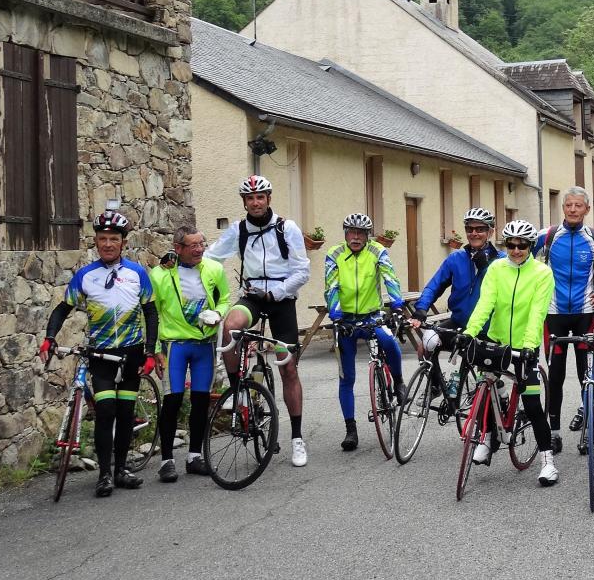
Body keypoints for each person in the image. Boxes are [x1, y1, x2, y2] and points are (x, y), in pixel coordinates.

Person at [39, 211, 158, 498]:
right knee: (106, 412)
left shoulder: (137, 274)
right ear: (95, 241)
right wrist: (49, 338)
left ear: (123, 242)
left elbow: (150, 313)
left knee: (126, 412)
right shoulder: (86, 276)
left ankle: (121, 470)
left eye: (113, 239)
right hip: (101, 354)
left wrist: (151, 352)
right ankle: (104, 474)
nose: (107, 244)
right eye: (102, 239)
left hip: (130, 353)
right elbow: (62, 309)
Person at [205, 175, 312, 466]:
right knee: (230, 327)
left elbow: (302, 271)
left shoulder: (286, 228)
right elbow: (210, 258)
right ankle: (238, 390)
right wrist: (185, 263)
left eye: (260, 197)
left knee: (288, 368)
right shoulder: (238, 230)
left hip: (280, 299)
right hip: (252, 294)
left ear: (268, 198)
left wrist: (276, 292)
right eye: (250, 198)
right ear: (244, 202)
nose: (255, 202)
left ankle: (297, 439)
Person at [461, 219, 559, 486]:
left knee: (532, 404)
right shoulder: (496, 268)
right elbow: (485, 304)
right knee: (486, 390)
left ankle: (548, 461)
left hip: (525, 345)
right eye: (511, 245)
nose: (515, 250)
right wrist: (470, 332)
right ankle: (488, 438)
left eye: (522, 245)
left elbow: (538, 313)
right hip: (497, 340)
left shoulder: (542, 273)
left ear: (531, 246)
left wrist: (528, 347)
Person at [534, 186, 594, 452]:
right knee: (555, 376)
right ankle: (554, 433)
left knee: (585, 375)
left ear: (587, 209)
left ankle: (589, 432)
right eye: (569, 205)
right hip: (554, 314)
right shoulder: (547, 236)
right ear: (563, 208)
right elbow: (521, 261)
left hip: (585, 315)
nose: (573, 210)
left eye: (578, 206)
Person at [149, 226, 231, 482]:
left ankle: (194, 456)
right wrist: (153, 350)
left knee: (200, 401)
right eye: (193, 245)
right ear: (178, 248)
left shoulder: (214, 269)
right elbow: (151, 313)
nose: (199, 249)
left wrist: (218, 313)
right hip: (174, 344)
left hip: (203, 344)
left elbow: (225, 298)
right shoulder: (160, 275)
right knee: (172, 401)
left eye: (201, 244)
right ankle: (166, 461)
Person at [325, 213, 407, 452]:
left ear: (368, 236)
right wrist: (337, 316)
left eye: (361, 233)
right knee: (346, 377)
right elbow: (331, 286)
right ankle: (351, 429)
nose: (356, 237)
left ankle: (398, 382)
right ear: (345, 233)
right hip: (345, 320)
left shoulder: (378, 251)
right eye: (351, 232)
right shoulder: (334, 254)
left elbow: (390, 278)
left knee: (388, 340)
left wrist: (397, 306)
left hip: (372, 315)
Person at [410, 207, 503, 394]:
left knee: (487, 380)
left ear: (490, 232)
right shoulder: (456, 259)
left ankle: (500, 398)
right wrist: (421, 309)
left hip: (488, 328)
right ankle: (436, 385)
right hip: (460, 322)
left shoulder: (501, 261)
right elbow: (434, 286)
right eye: (470, 229)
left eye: (480, 229)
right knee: (425, 346)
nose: (474, 233)